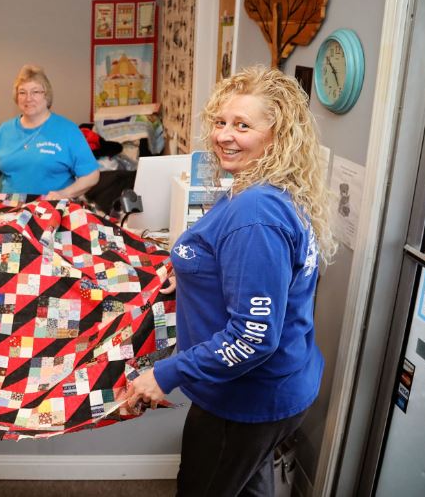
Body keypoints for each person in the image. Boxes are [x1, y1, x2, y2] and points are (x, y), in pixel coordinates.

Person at [127, 66, 336, 496]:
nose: (225, 135)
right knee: (246, 486)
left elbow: (254, 336)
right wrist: (187, 271)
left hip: (246, 399)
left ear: (278, 134)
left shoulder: (256, 214)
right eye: (221, 122)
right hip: (277, 387)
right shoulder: (265, 188)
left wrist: (166, 374)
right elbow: (240, 265)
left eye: (243, 125)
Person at [0, 64, 99, 199]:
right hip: (11, 211)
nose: (28, 98)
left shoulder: (67, 130)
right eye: (22, 92)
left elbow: (91, 176)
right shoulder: (4, 131)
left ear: (47, 95)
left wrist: (63, 194)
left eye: (35, 92)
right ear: (16, 97)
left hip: (53, 210)